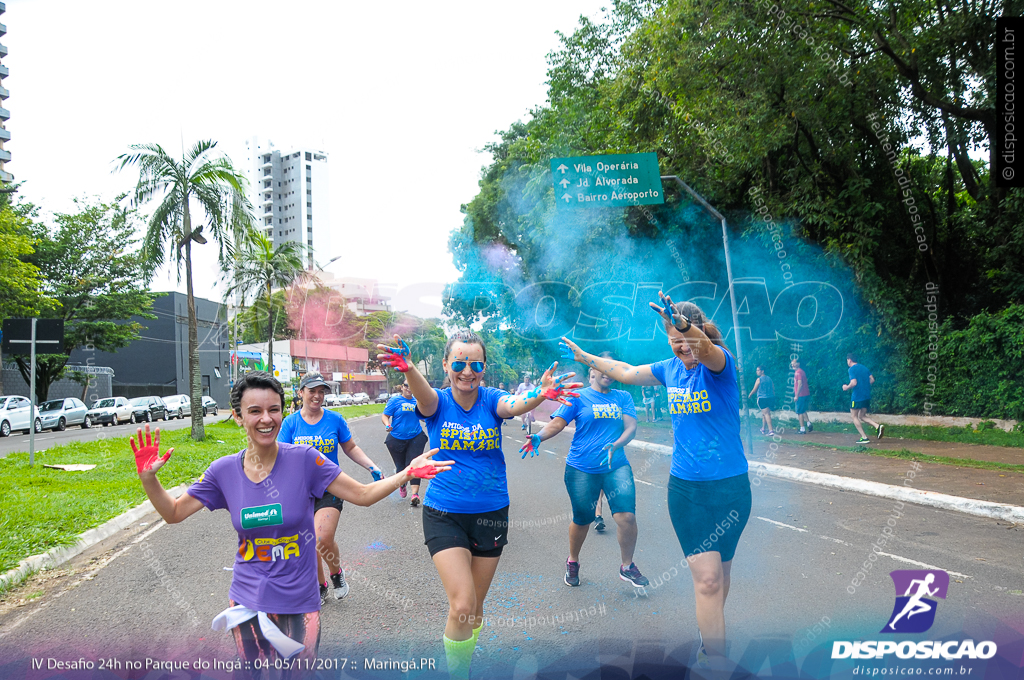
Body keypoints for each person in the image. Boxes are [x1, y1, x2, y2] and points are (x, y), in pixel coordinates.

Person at [129, 371, 449, 678]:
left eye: (273, 410)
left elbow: (363, 495)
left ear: (284, 412)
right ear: (239, 417)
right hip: (247, 601)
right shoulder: (222, 471)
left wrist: (407, 472)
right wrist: (148, 479)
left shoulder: (305, 459)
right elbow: (173, 513)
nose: (265, 419)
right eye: (254, 411)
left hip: (300, 602)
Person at [560, 293, 751, 671]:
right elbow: (626, 372)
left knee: (721, 576)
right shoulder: (669, 369)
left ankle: (708, 632)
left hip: (731, 490)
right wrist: (587, 359)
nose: (683, 347)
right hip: (687, 491)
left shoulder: (720, 364)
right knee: (710, 580)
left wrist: (684, 326)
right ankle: (716, 662)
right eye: (674, 340)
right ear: (667, 338)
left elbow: (705, 349)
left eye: (687, 339)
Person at [377, 331, 580, 680]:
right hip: (443, 513)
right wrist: (409, 368)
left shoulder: (491, 399)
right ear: (446, 365)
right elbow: (424, 400)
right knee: (462, 604)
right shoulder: (437, 402)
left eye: (475, 364)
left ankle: (463, 657)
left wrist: (540, 395)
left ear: (484, 368)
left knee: (475, 610)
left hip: (490, 514)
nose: (467, 371)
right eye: (458, 363)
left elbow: (514, 406)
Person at [520, 353, 647, 589]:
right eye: (603, 368)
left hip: (616, 465)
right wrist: (539, 436)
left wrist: (617, 444)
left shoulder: (623, 397)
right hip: (582, 469)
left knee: (626, 517)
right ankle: (573, 561)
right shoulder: (579, 397)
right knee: (583, 519)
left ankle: (627, 566)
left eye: (613, 369)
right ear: (592, 372)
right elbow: (559, 422)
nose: (608, 373)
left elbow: (631, 427)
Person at [278, 372, 385, 605]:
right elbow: (280, 456)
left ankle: (336, 573)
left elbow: (351, 448)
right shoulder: (290, 423)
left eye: (321, 392)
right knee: (308, 541)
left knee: (322, 537)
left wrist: (371, 466)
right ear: (300, 393)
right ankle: (319, 585)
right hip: (300, 492)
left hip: (330, 486)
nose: (317, 396)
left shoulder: (335, 420)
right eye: (312, 391)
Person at [382, 380, 430, 506]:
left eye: (411, 386)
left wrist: (431, 421)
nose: (409, 388)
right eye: (406, 386)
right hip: (396, 438)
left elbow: (423, 417)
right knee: (401, 466)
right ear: (402, 387)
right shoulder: (394, 401)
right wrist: (387, 425)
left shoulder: (417, 401)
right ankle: (402, 484)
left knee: (414, 464)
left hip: (415, 436)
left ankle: (415, 494)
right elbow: (385, 416)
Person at [843, 354, 883, 443]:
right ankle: (877, 426)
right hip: (866, 395)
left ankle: (864, 437)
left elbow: (853, 383)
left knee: (854, 416)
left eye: (847, 360)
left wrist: (846, 387)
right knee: (862, 416)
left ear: (849, 360)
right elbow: (872, 380)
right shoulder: (864, 368)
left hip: (857, 396)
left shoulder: (851, 369)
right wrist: (864, 385)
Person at [748, 365, 775, 436]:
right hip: (770, 397)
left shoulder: (759, 379)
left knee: (767, 414)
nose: (757, 372)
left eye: (758, 370)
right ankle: (763, 428)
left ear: (762, 371)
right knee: (764, 414)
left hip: (762, 398)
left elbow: (755, 389)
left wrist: (750, 394)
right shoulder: (769, 378)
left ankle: (771, 430)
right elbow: (773, 388)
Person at [792, 359, 812, 433]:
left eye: (794, 363)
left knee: (799, 412)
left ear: (798, 363)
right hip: (805, 393)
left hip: (800, 394)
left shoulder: (798, 372)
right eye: (792, 364)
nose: (793, 365)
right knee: (802, 409)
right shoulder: (801, 371)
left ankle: (802, 429)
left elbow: (800, 384)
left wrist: (796, 395)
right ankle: (808, 423)